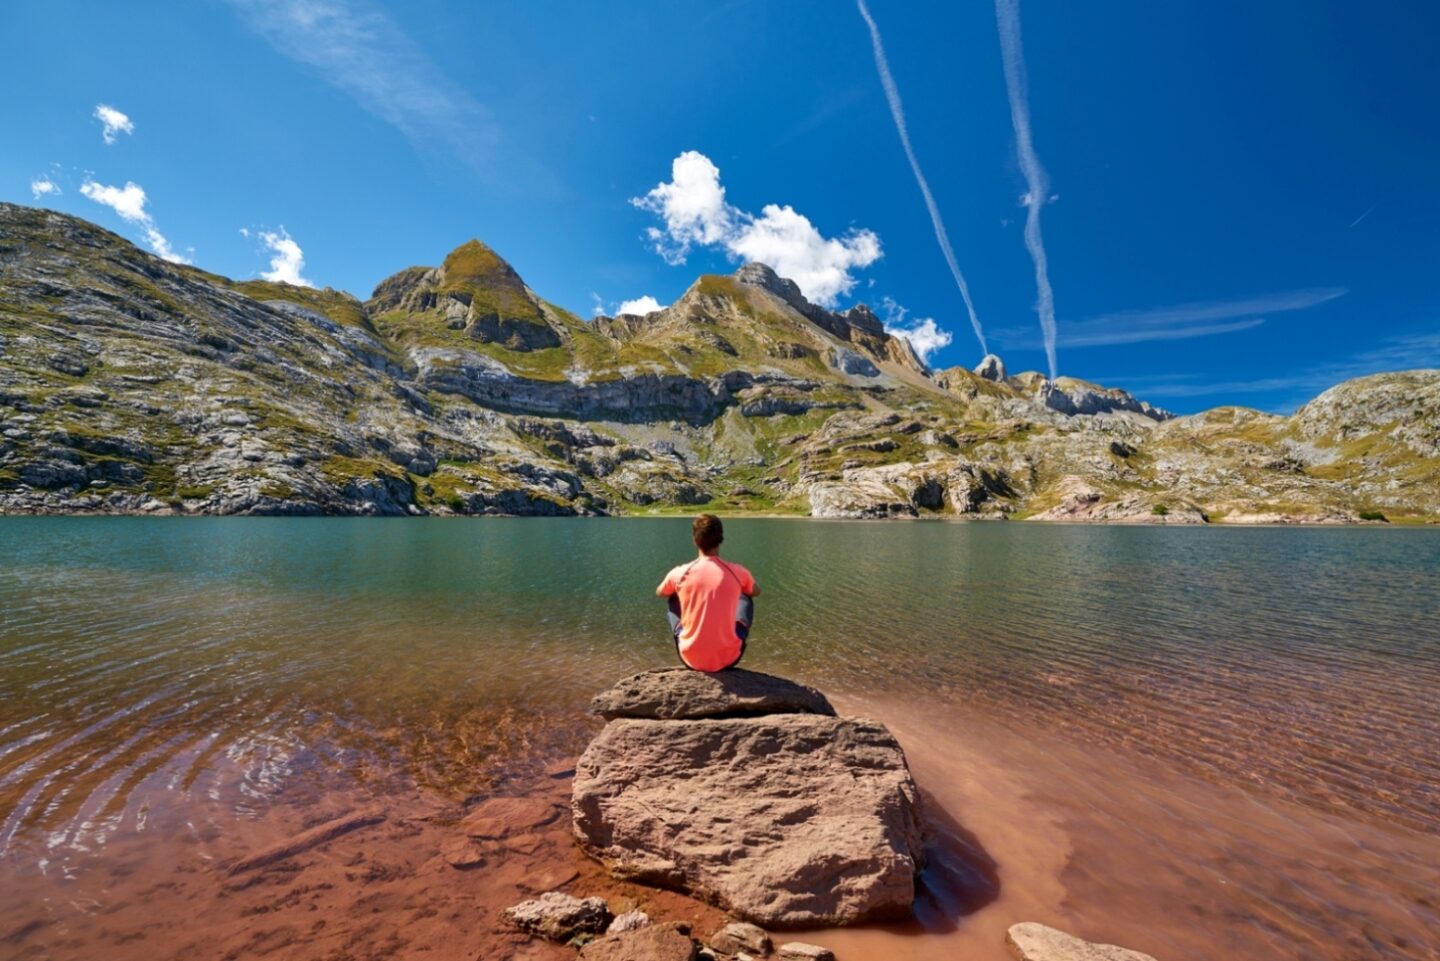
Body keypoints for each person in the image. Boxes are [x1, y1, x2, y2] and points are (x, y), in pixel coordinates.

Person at [656, 514, 760, 672]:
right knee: (745, 596)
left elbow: (660, 592)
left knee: (672, 596)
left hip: (689, 658)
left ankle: (685, 635)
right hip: (730, 659)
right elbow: (756, 592)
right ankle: (731, 636)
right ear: (721, 540)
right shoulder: (738, 572)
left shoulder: (680, 573)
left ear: (694, 540)